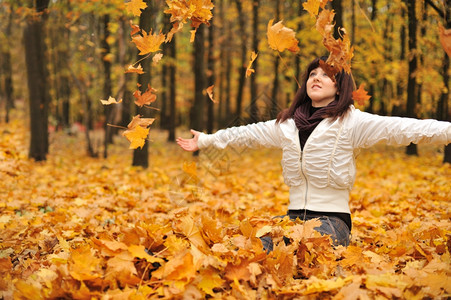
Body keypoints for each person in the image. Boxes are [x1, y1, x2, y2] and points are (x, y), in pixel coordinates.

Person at [176, 56, 451, 252]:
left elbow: (407, 128)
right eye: (312, 74)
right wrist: (207, 140)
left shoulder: (353, 123)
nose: (316, 78)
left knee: (294, 249)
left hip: (332, 223)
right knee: (251, 247)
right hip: (293, 219)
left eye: (325, 75)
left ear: (339, 87)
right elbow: (247, 134)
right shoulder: (287, 124)